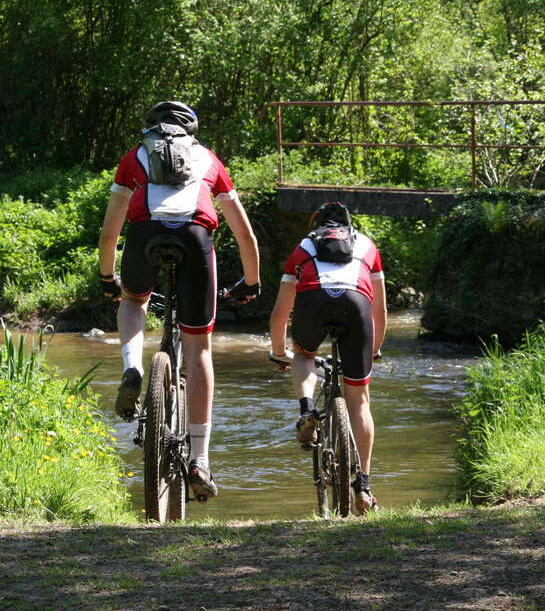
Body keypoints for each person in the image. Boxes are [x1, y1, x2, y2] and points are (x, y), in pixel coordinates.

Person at [98, 101, 260, 501]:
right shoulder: (209, 159)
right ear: (192, 130)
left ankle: (132, 369)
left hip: (144, 235)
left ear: (150, 128)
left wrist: (107, 277)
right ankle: (200, 459)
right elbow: (245, 236)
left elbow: (109, 231)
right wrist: (251, 283)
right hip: (195, 239)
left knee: (134, 300)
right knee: (199, 346)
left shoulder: (134, 157)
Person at [268, 201, 387, 513]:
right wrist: (374, 349)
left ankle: (307, 410)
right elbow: (380, 310)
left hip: (313, 304)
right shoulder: (366, 246)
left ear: (316, 225)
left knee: (304, 354)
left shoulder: (304, 248)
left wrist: (280, 353)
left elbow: (280, 313)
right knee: (359, 399)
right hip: (356, 306)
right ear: (349, 226)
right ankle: (363, 484)